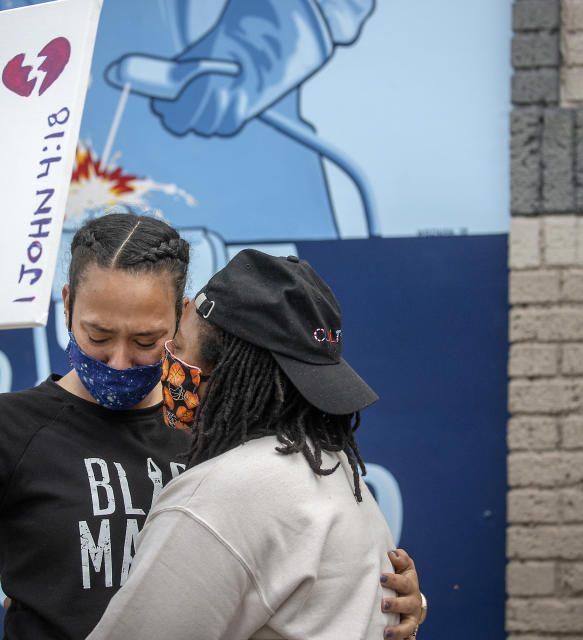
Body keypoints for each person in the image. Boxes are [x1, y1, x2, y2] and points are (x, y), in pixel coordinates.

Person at [0, 202, 425, 639]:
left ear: (187, 321)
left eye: (146, 340)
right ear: (65, 307)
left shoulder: (226, 441)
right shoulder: (9, 430)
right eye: (97, 333)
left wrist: (383, 605)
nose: (120, 358)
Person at [88, 249, 425, 639]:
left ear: (231, 372)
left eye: (178, 348)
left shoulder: (219, 496)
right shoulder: (339, 472)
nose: (169, 362)